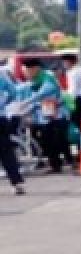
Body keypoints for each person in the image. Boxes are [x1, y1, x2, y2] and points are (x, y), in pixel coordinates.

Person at [22, 57, 73, 174]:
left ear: (36, 69)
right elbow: (35, 99)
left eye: (28, 70)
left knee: (57, 140)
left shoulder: (48, 78)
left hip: (57, 115)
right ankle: (56, 164)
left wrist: (26, 103)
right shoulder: (35, 81)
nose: (27, 73)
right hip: (46, 116)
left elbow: (42, 94)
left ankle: (63, 163)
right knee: (47, 140)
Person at [0, 62, 25, 194]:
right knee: (6, 152)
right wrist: (4, 103)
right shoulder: (1, 74)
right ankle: (17, 183)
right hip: (1, 118)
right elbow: (14, 92)